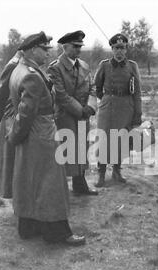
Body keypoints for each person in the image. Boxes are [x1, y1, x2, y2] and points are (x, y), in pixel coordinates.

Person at [6, 31, 85, 245]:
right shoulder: (31, 75)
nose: (47, 54)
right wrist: (16, 136)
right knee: (52, 185)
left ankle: (29, 226)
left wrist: (16, 136)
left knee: (30, 181)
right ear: (32, 50)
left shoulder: (20, 70)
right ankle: (58, 233)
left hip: (31, 134)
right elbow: (26, 112)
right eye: (44, 49)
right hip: (41, 132)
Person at [47, 30, 98, 196]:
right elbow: (61, 95)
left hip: (83, 115)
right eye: (75, 46)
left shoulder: (84, 65)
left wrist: (90, 107)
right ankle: (58, 188)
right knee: (65, 151)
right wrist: (80, 111)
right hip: (66, 116)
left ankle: (80, 184)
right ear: (65, 46)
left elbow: (93, 88)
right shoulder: (55, 68)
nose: (79, 49)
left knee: (82, 149)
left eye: (80, 46)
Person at [93, 33, 142, 187]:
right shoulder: (104, 65)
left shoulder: (132, 66)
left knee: (121, 139)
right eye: (116, 48)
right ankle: (101, 173)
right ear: (112, 49)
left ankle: (116, 170)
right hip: (108, 106)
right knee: (104, 138)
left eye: (122, 48)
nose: (119, 51)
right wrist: (107, 99)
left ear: (126, 49)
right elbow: (97, 86)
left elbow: (138, 91)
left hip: (126, 106)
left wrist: (137, 113)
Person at [0, 50, 23, 198]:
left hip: (15, 113)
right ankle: (9, 191)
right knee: (10, 155)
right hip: (11, 114)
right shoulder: (13, 64)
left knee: (14, 156)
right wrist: (1, 115)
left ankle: (13, 191)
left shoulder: (20, 63)